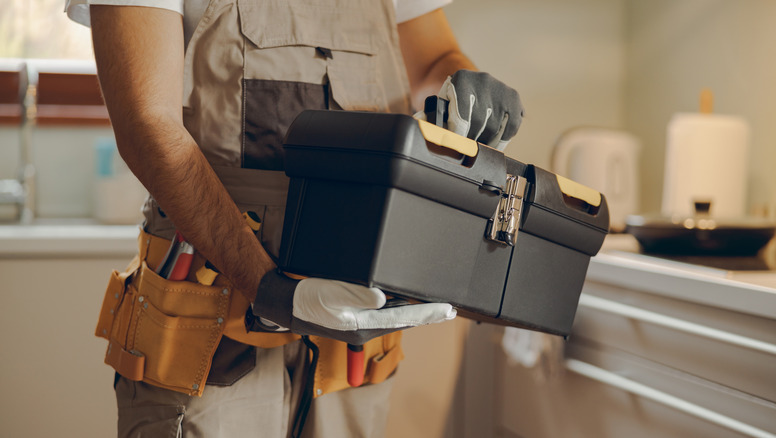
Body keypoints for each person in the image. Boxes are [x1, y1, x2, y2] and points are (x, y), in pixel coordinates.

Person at [65, 1, 524, 437]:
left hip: (354, 327)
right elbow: (148, 122)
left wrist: (459, 84)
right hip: (213, 315)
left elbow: (431, 61)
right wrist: (267, 287)